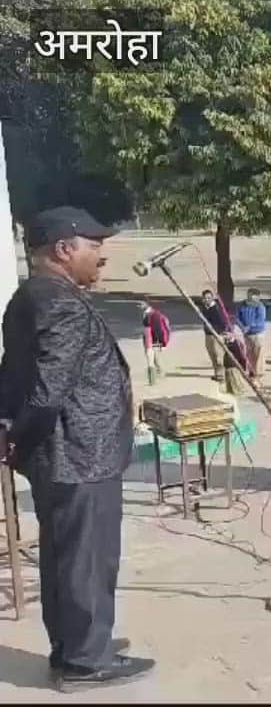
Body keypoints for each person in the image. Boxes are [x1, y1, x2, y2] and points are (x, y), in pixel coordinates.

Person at [0, 206, 154, 689]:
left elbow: (12, 374)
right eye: (94, 247)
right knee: (87, 557)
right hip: (79, 455)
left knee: (67, 557)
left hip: (63, 455)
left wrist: (10, 430)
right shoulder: (60, 303)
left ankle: (78, 645)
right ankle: (87, 662)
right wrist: (17, 434)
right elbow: (48, 390)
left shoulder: (31, 296)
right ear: (64, 250)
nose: (101, 256)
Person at [236, 288, 267, 383]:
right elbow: (237, 317)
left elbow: (260, 319)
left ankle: (258, 373)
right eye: (249, 295)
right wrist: (242, 327)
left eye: (253, 295)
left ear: (257, 297)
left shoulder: (260, 306)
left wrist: (249, 326)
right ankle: (251, 371)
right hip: (246, 334)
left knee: (258, 353)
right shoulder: (242, 305)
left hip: (258, 333)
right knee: (249, 353)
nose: (250, 297)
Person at [199, 289, 231, 382]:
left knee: (218, 355)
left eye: (209, 298)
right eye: (205, 298)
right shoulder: (205, 308)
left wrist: (220, 333)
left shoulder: (217, 309)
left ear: (212, 298)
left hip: (216, 335)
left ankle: (222, 375)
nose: (207, 299)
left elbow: (223, 323)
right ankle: (217, 373)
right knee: (212, 355)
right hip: (208, 335)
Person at [140, 301, 171, 386]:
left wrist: (162, 342)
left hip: (153, 340)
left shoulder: (154, 314)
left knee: (154, 359)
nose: (139, 305)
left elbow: (158, 329)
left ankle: (155, 378)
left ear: (147, 304)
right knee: (153, 359)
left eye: (141, 304)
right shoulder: (146, 313)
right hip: (148, 339)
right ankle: (155, 378)